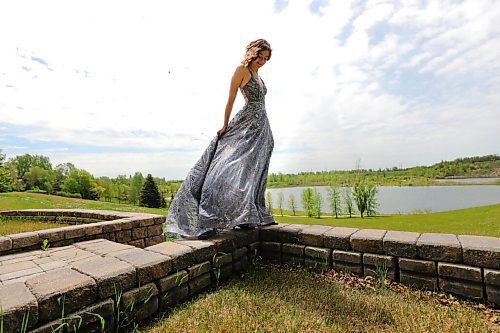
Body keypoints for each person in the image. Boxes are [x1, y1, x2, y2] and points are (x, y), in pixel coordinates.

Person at [165, 39, 276, 239]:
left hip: (262, 127)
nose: (262, 61)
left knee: (255, 169)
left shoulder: (259, 75)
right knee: (226, 166)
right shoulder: (241, 71)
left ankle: (248, 215)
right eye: (261, 56)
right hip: (246, 123)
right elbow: (231, 100)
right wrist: (225, 124)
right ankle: (209, 217)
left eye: (266, 58)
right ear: (253, 52)